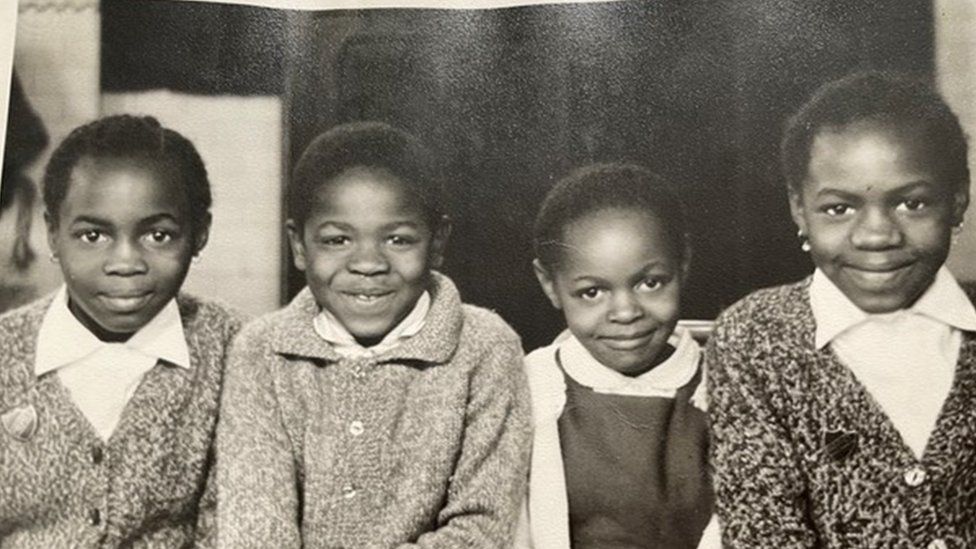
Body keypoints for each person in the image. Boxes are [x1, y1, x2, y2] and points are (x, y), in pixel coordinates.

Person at [217, 121, 531, 548]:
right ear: (298, 245)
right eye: (337, 239)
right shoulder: (260, 351)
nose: (368, 263)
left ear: (437, 243)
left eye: (398, 239)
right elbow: (254, 528)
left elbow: (482, 526)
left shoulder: (485, 347)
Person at [707, 71, 976, 547]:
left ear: (958, 201)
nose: (876, 236)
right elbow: (762, 531)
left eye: (912, 203)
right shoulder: (754, 338)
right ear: (798, 208)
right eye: (838, 209)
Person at [0, 114, 244, 546]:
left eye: (159, 235)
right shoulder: (6, 352)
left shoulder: (234, 350)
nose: (126, 262)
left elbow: (234, 525)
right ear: (53, 234)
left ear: (199, 234)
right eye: (93, 235)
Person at [518, 163, 719, 549]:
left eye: (650, 283)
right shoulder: (532, 387)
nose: (626, 312)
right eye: (592, 292)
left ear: (684, 264)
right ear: (550, 284)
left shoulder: (724, 388)